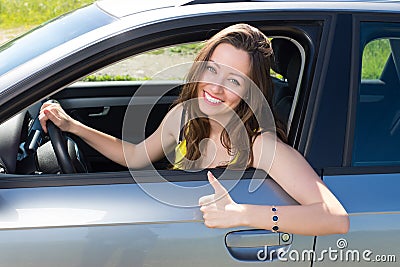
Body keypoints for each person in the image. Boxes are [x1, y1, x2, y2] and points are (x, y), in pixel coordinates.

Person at [39, 23, 349, 236]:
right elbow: (135, 156)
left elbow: (335, 218)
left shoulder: (259, 145)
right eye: (212, 69)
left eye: (234, 80)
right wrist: (73, 126)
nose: (215, 86)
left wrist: (241, 213)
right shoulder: (185, 115)